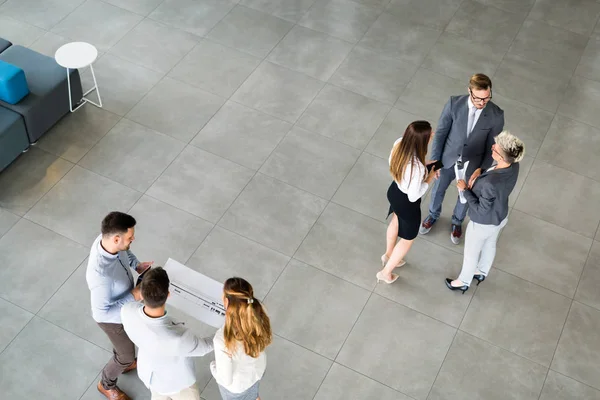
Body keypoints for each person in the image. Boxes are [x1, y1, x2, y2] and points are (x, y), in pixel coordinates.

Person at [420, 73, 505, 245]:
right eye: (478, 98)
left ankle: (457, 222)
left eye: (486, 98)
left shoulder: (496, 115)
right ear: (469, 91)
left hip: (473, 164)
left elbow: (492, 147)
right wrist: (435, 160)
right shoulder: (454, 104)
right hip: (447, 158)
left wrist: (481, 169)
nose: (482, 103)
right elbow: (441, 133)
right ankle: (433, 215)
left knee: (465, 196)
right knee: (437, 190)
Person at [445, 131, 524, 293]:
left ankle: (463, 282)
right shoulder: (513, 166)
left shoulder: (490, 183)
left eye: (496, 148)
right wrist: (480, 170)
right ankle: (481, 272)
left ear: (501, 157)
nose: (492, 147)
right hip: (500, 216)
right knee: (490, 244)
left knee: (471, 253)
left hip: (482, 223)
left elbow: (481, 208)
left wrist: (465, 189)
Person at [86, 211, 153, 400]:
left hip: (126, 305)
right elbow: (101, 315)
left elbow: (126, 251)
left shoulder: (106, 240)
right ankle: (106, 384)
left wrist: (136, 265)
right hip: (111, 320)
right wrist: (134, 295)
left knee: (128, 345)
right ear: (116, 239)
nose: (133, 240)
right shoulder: (100, 275)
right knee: (125, 355)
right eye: (130, 238)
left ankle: (125, 362)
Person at [121, 267, 214, 400]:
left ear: (141, 294)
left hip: (150, 376)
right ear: (168, 295)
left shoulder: (127, 311)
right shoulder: (177, 338)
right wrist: (226, 330)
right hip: (179, 383)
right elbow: (205, 347)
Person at [376, 121, 438, 284]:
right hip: (407, 202)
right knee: (408, 239)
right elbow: (413, 196)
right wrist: (429, 178)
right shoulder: (416, 167)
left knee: (395, 220)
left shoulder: (399, 143)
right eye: (430, 134)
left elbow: (402, 168)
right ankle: (386, 272)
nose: (433, 135)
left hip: (394, 191)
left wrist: (424, 167)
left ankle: (388, 254)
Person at [211, 277, 272, 400]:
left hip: (237, 387)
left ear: (227, 302)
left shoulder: (222, 340)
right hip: (256, 372)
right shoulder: (257, 314)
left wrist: (213, 367)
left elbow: (225, 380)